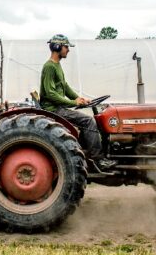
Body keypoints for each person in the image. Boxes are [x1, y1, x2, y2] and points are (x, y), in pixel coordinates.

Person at [39, 34, 117, 170]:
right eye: (66, 47)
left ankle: (85, 152)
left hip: (58, 107)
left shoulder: (56, 65)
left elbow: (65, 87)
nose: (68, 50)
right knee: (89, 121)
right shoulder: (49, 67)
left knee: (90, 122)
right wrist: (74, 103)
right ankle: (99, 160)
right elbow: (50, 93)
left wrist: (80, 99)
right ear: (57, 47)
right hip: (53, 110)